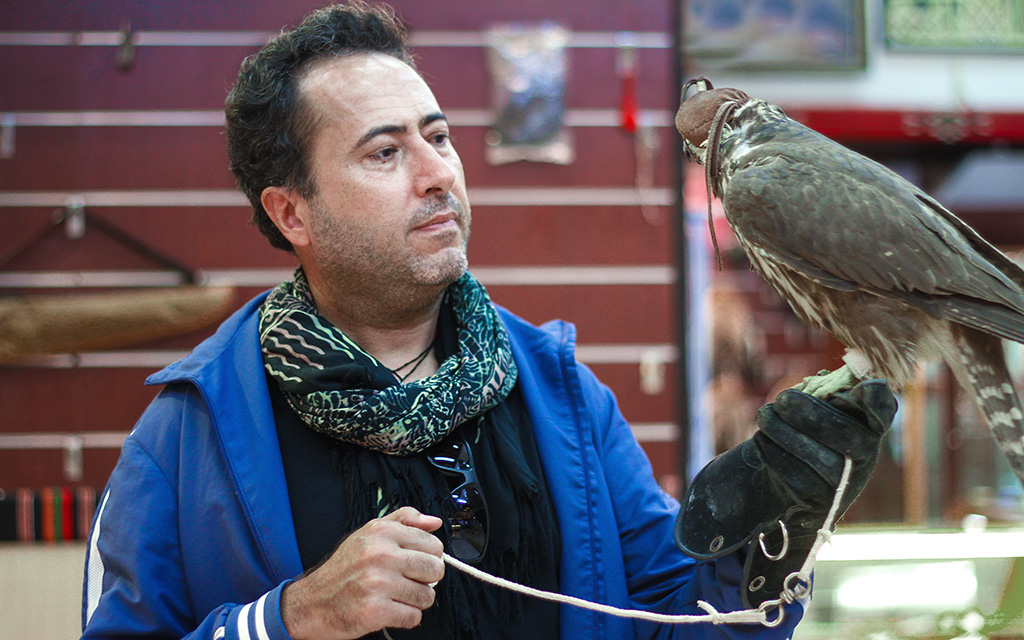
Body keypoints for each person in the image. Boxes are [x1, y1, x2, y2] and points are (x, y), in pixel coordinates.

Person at [80, 3, 896, 639]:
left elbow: (678, 620)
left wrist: (765, 531)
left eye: (439, 136)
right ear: (292, 212)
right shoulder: (187, 434)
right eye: (385, 152)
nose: (438, 173)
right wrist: (291, 619)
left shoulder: (560, 391)